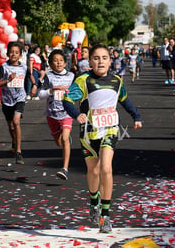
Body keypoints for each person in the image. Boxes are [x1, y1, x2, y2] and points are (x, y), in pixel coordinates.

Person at [63, 44, 142, 233]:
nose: (100, 62)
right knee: (93, 170)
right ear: (89, 61)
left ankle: (105, 216)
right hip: (89, 133)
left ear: (110, 60)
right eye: (96, 58)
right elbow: (66, 100)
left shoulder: (116, 80)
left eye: (104, 58)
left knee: (107, 167)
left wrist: (136, 116)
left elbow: (124, 100)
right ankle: (93, 200)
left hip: (110, 130)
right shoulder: (83, 80)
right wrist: (76, 114)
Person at [0, 41, 36, 164]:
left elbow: (30, 76)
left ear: (20, 55)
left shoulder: (23, 67)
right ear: (7, 53)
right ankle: (14, 142)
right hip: (7, 100)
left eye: (16, 53)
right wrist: (7, 80)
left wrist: (34, 85)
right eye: (11, 52)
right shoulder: (3, 67)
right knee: (11, 126)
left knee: (16, 121)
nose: (13, 55)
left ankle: (18, 152)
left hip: (20, 98)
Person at [39, 49, 75, 180]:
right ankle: (65, 140)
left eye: (61, 61)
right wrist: (53, 89)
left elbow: (77, 92)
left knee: (65, 139)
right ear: (50, 63)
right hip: (52, 114)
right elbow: (40, 95)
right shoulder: (49, 76)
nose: (58, 63)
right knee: (59, 142)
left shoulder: (71, 76)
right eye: (55, 61)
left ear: (65, 63)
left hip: (66, 113)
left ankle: (64, 169)